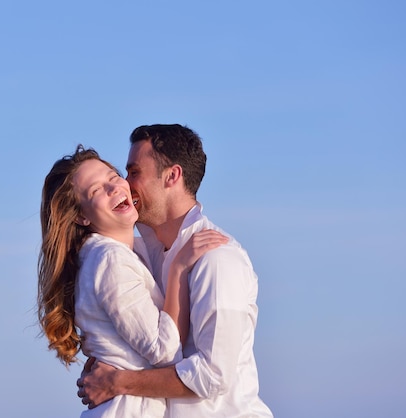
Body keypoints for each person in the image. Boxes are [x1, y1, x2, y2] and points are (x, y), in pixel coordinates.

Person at [77, 124, 273, 417]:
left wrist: (117, 381)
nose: (126, 185)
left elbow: (213, 375)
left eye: (134, 173)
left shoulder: (216, 258)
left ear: (172, 177)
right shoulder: (145, 255)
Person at [37, 145, 228, 417]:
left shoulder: (121, 253)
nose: (114, 188)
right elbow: (163, 351)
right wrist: (178, 270)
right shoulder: (109, 260)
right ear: (81, 216)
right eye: (96, 190)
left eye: (113, 177)